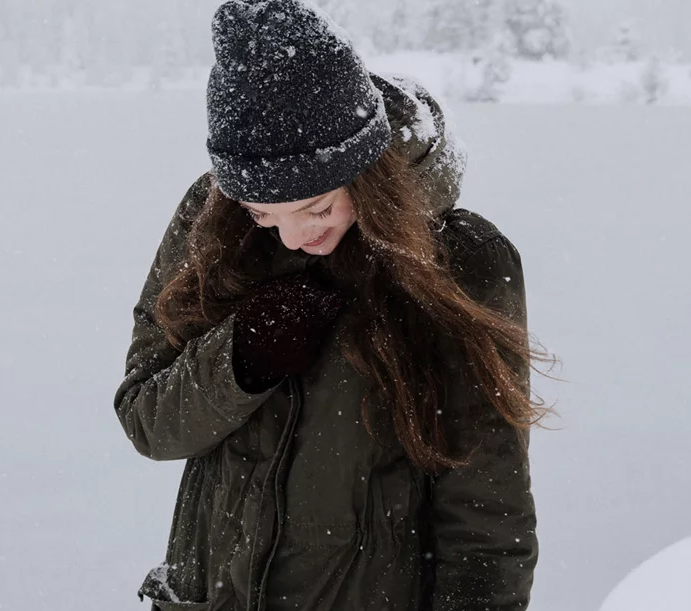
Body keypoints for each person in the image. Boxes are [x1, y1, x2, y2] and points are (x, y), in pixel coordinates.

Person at [113, 1, 553, 609]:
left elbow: (486, 518)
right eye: (263, 214)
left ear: (369, 174)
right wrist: (239, 360)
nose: (295, 236)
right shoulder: (213, 222)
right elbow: (147, 421)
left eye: (317, 207)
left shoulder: (461, 261)